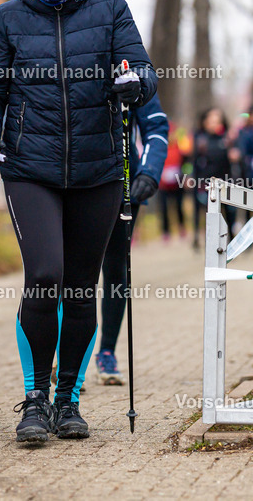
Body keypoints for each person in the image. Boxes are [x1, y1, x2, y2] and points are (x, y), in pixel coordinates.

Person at [0, 0, 157, 443]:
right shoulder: (9, 17)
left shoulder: (112, 8)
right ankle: (34, 398)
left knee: (79, 287)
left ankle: (68, 399)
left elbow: (141, 70)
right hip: (31, 168)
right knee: (45, 274)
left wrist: (131, 84)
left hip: (98, 169)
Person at [96, 94, 168, 385]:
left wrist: (149, 174)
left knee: (115, 270)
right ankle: (66, 356)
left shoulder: (130, 68)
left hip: (126, 184)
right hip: (76, 182)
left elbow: (157, 128)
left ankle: (107, 352)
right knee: (73, 271)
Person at [191, 107, 236, 247]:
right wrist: (190, 177)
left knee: (229, 213)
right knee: (210, 214)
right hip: (205, 183)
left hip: (226, 182)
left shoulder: (228, 139)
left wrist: (235, 156)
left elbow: (236, 159)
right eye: (211, 121)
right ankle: (210, 243)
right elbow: (192, 162)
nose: (214, 124)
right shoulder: (200, 140)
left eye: (217, 121)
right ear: (205, 123)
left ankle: (232, 241)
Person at [158, 123, 191, 242]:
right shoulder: (161, 148)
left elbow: (186, 164)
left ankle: (182, 228)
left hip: (178, 182)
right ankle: (166, 232)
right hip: (163, 184)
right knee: (164, 208)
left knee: (179, 206)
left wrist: (186, 176)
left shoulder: (180, 147)